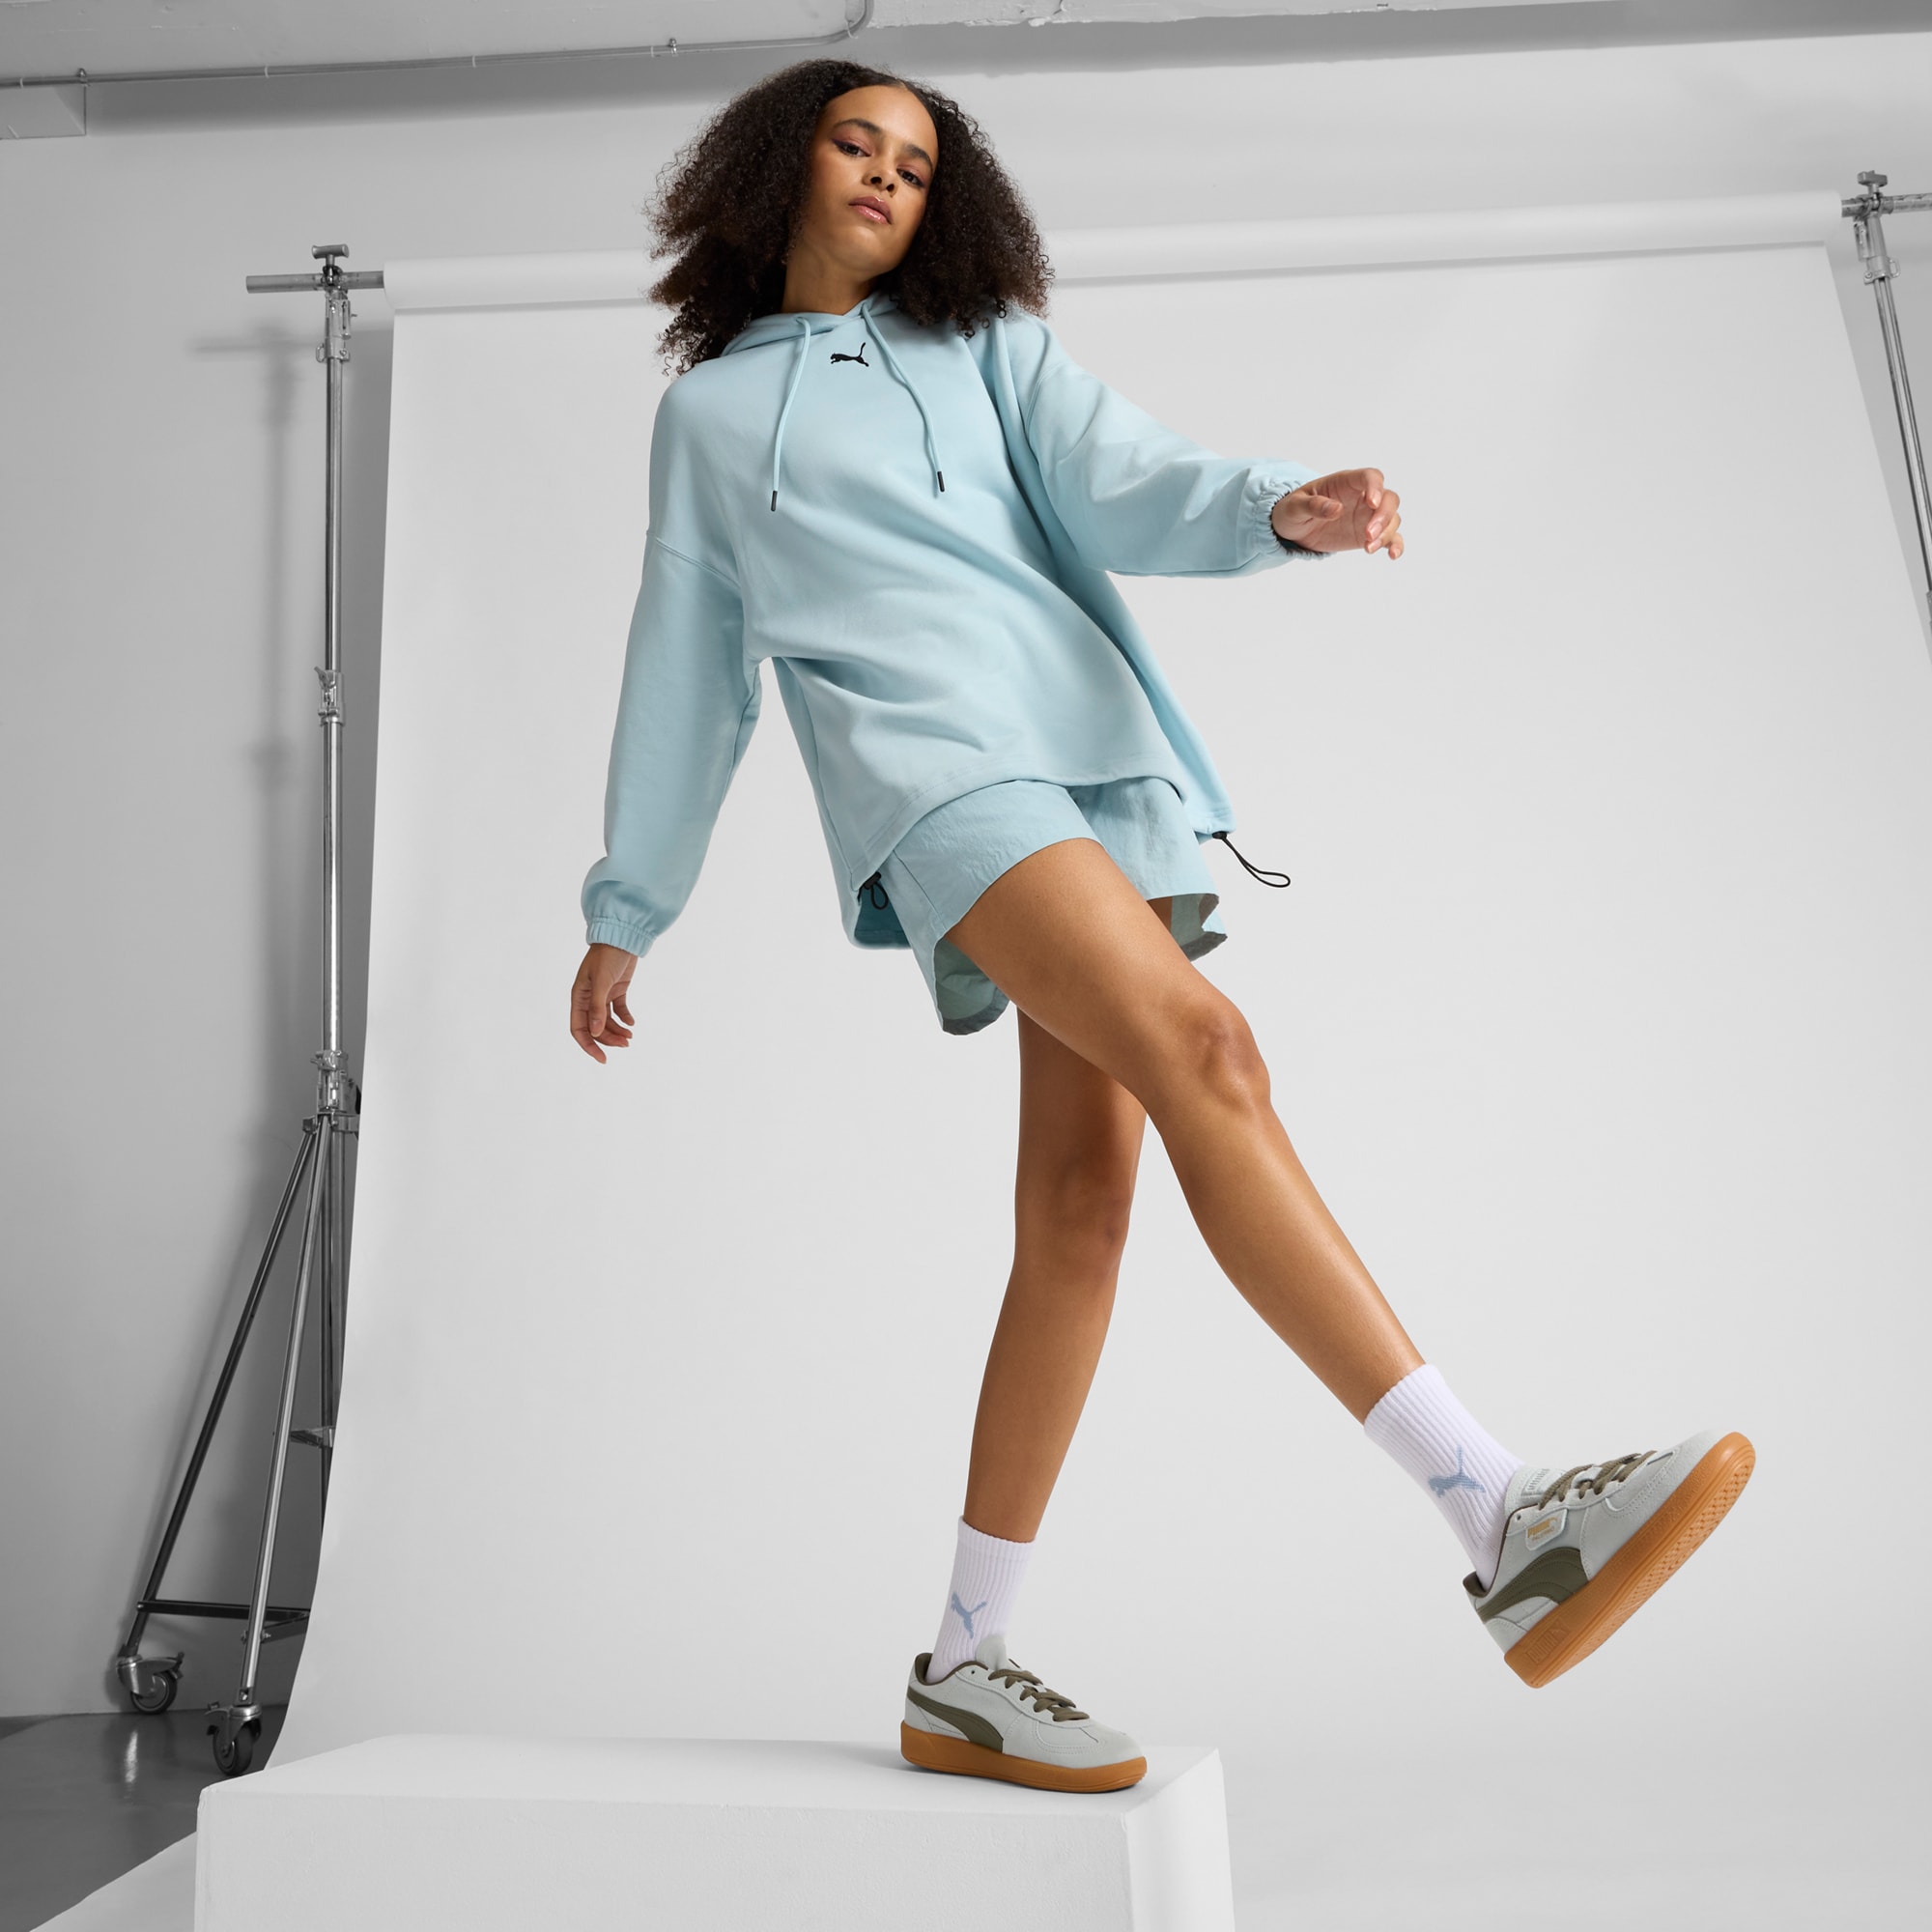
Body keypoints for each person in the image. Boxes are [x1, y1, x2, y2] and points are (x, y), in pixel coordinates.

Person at [568, 58, 1753, 1795]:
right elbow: (688, 666)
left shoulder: (983, 347)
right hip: (936, 780)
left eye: (918, 161)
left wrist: (1280, 507)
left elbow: (1120, 474)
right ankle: (1496, 1509)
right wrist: (632, 905)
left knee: (1079, 1211)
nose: (888, 176)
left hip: (1096, 770)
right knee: (1213, 1053)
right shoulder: (712, 422)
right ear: (778, 169)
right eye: (854, 143)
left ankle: (964, 1667)